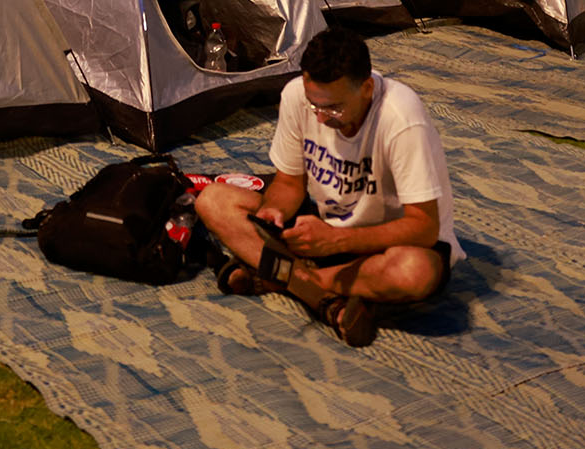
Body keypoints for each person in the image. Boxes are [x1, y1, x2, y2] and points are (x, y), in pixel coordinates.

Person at [195, 29, 463, 347]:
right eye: (314, 107)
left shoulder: (401, 117)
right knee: (212, 200)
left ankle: (296, 283)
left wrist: (337, 241)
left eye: (334, 109)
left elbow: (424, 228)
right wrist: (275, 212)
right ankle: (330, 296)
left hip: (387, 244)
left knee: (413, 273)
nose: (321, 119)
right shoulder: (297, 95)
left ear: (366, 88)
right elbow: (289, 183)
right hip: (325, 231)